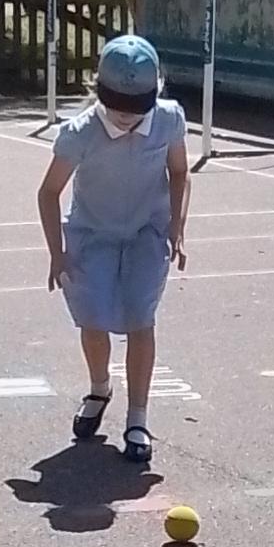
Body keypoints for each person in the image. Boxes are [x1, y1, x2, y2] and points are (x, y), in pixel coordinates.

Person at [37, 31, 190, 465]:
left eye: (137, 107)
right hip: (92, 236)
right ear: (99, 92)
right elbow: (48, 192)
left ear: (154, 94)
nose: (126, 116)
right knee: (94, 319)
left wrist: (177, 226)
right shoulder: (80, 133)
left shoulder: (168, 120)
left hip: (146, 234)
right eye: (117, 106)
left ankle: (138, 417)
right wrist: (56, 251)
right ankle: (99, 387)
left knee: (141, 319)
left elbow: (180, 172)